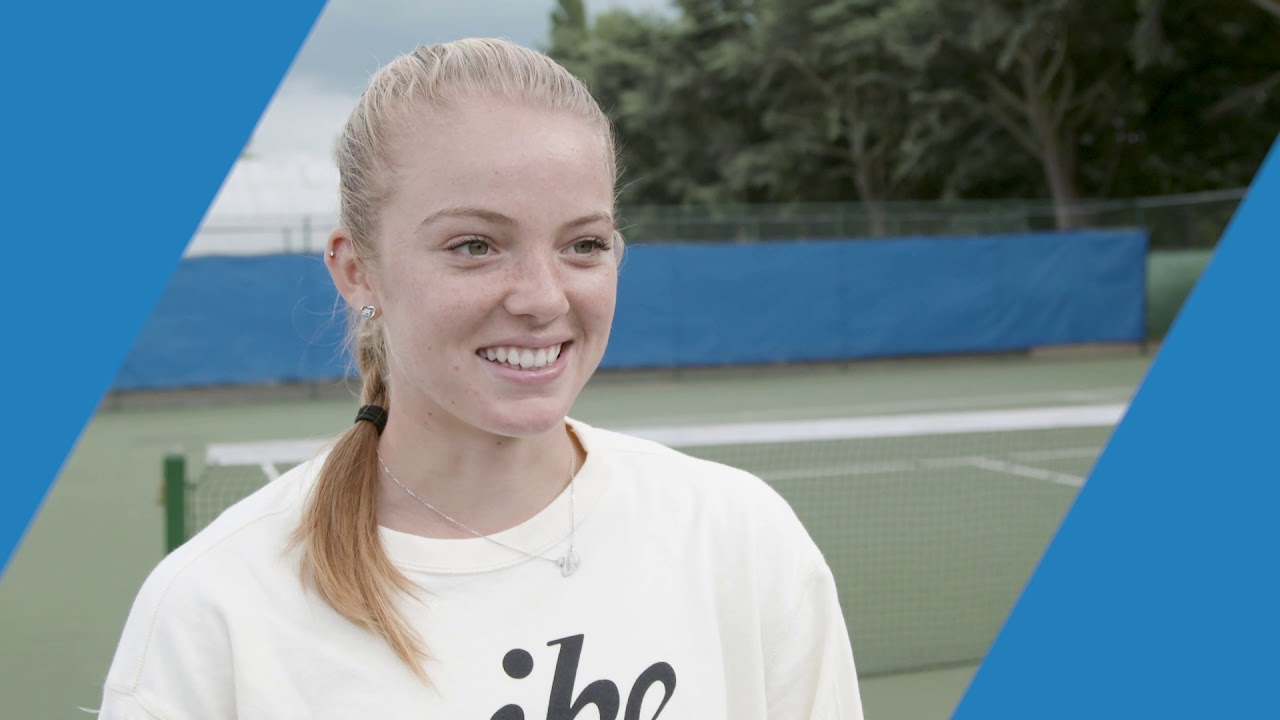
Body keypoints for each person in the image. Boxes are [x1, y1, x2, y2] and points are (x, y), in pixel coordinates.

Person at [99, 38, 863, 719]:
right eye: (474, 245)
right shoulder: (214, 608)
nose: (542, 298)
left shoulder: (739, 539)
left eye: (584, 244)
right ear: (357, 270)